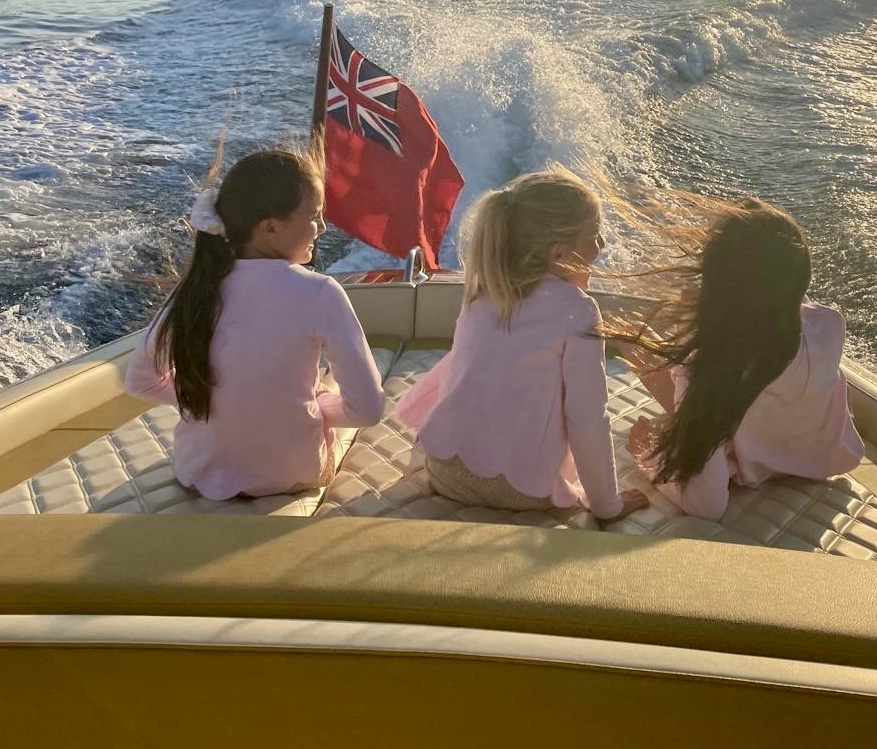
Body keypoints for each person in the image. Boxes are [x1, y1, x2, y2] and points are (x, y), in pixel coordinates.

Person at [125, 145, 385, 499]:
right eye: (314, 216)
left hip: (197, 473)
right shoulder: (321, 292)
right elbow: (368, 410)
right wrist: (317, 404)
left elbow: (139, 381)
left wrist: (206, 397)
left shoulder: (194, 289)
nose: (322, 227)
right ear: (270, 228)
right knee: (329, 388)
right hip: (291, 475)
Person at [396, 168, 646, 522]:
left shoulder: (483, 290)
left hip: (444, 468)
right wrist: (607, 505)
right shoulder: (577, 310)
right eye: (594, 234)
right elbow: (587, 417)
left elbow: (459, 373)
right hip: (520, 488)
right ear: (559, 252)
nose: (602, 244)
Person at [624, 197, 863, 521]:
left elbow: (705, 504)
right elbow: (782, 296)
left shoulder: (707, 369)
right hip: (816, 461)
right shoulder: (829, 326)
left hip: (742, 455)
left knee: (635, 348)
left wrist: (647, 454)